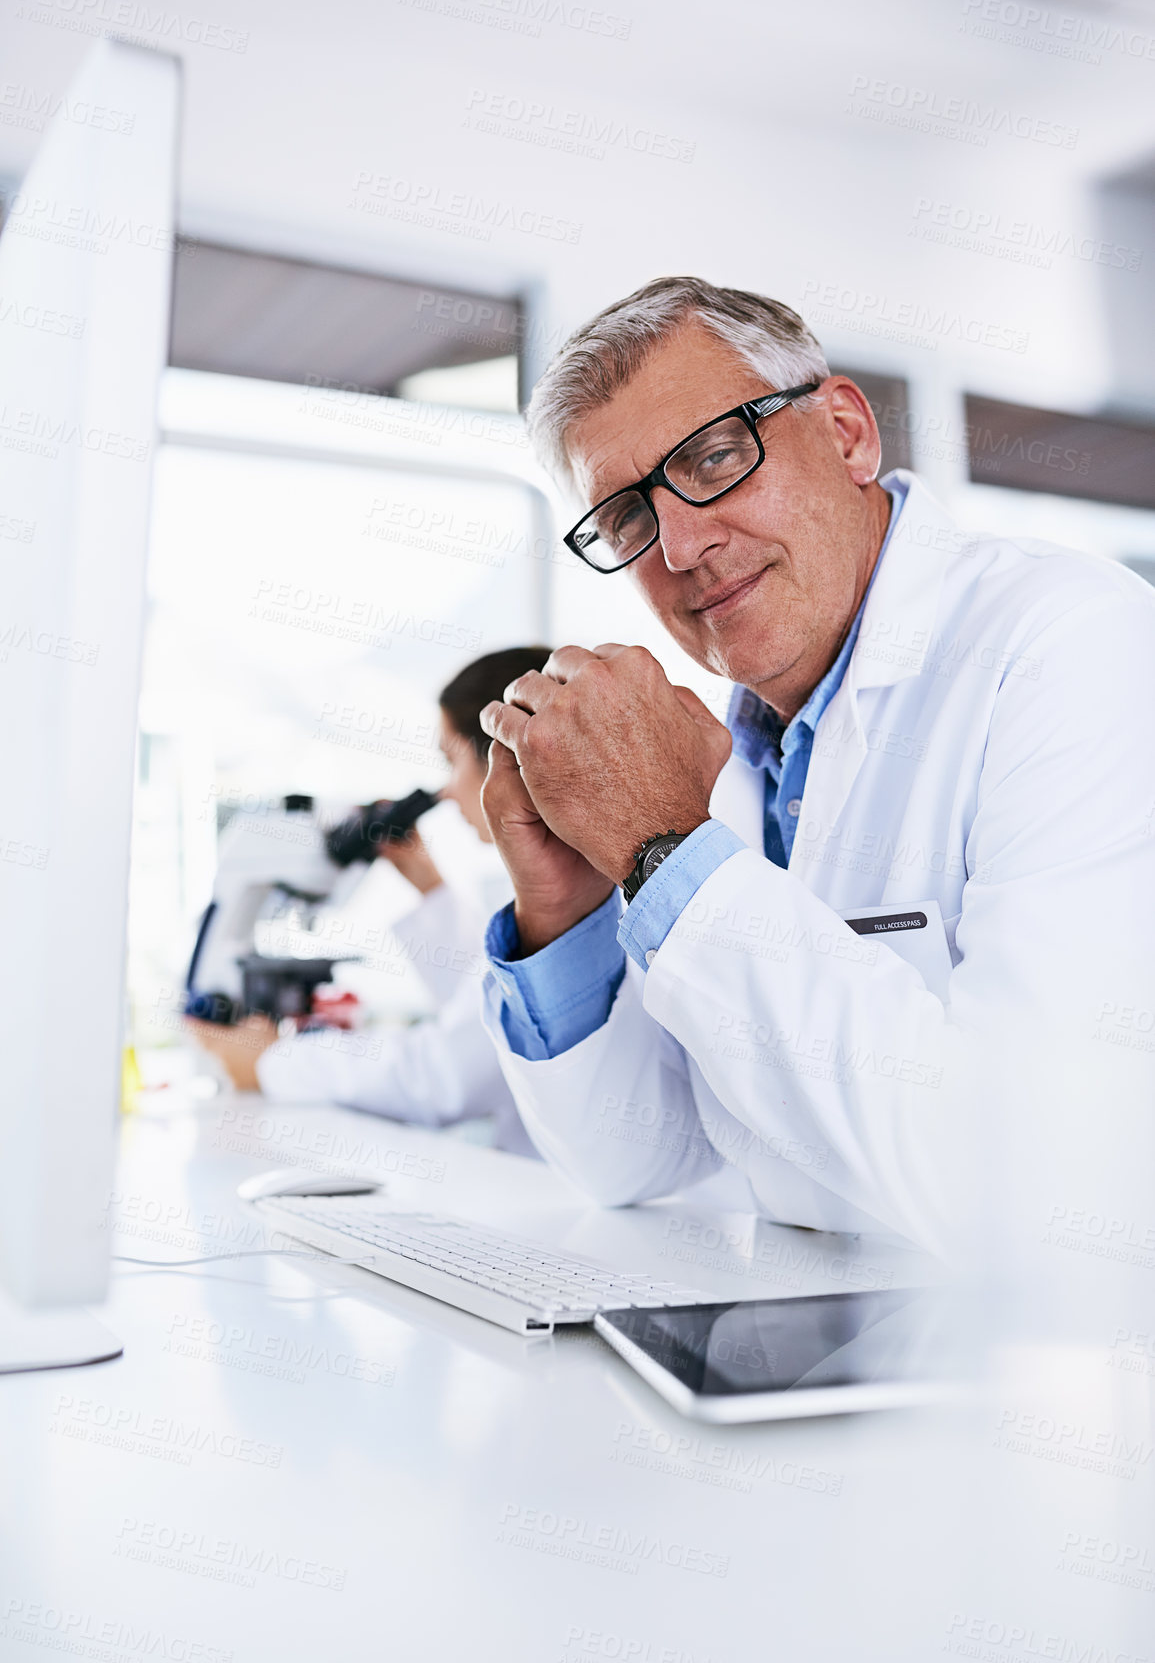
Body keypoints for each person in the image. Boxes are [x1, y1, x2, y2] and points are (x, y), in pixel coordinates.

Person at [475, 276, 1155, 1249]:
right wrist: (563, 909)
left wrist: (668, 846)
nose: (681, 544)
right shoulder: (745, 744)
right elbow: (639, 1160)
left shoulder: (1074, 643)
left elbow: (1038, 1178)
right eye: (627, 515)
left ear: (845, 433)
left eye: (713, 456)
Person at [192, 648, 551, 1157]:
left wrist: (274, 1061)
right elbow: (494, 1011)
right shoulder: (573, 881)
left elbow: (442, 1076)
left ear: (499, 753)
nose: (446, 793)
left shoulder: (565, 898)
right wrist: (428, 885)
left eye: (451, 760)